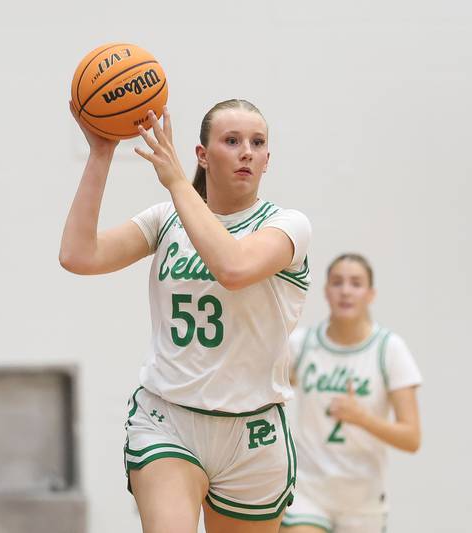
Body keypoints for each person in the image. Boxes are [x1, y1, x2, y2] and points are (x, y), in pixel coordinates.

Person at [60, 99, 312, 533]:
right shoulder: (165, 220)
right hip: (168, 419)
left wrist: (176, 181)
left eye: (257, 142)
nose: (246, 151)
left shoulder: (288, 225)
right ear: (202, 154)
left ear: (268, 159)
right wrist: (101, 154)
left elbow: (233, 268)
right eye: (231, 141)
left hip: (252, 431)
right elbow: (79, 255)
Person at [280, 253, 421, 533]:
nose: (345, 290)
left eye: (355, 283)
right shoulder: (302, 344)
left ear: (370, 294)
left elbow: (412, 438)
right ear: (325, 291)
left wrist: (362, 418)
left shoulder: (389, 349)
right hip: (308, 491)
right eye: (337, 282)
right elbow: (266, 391)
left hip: (364, 499)